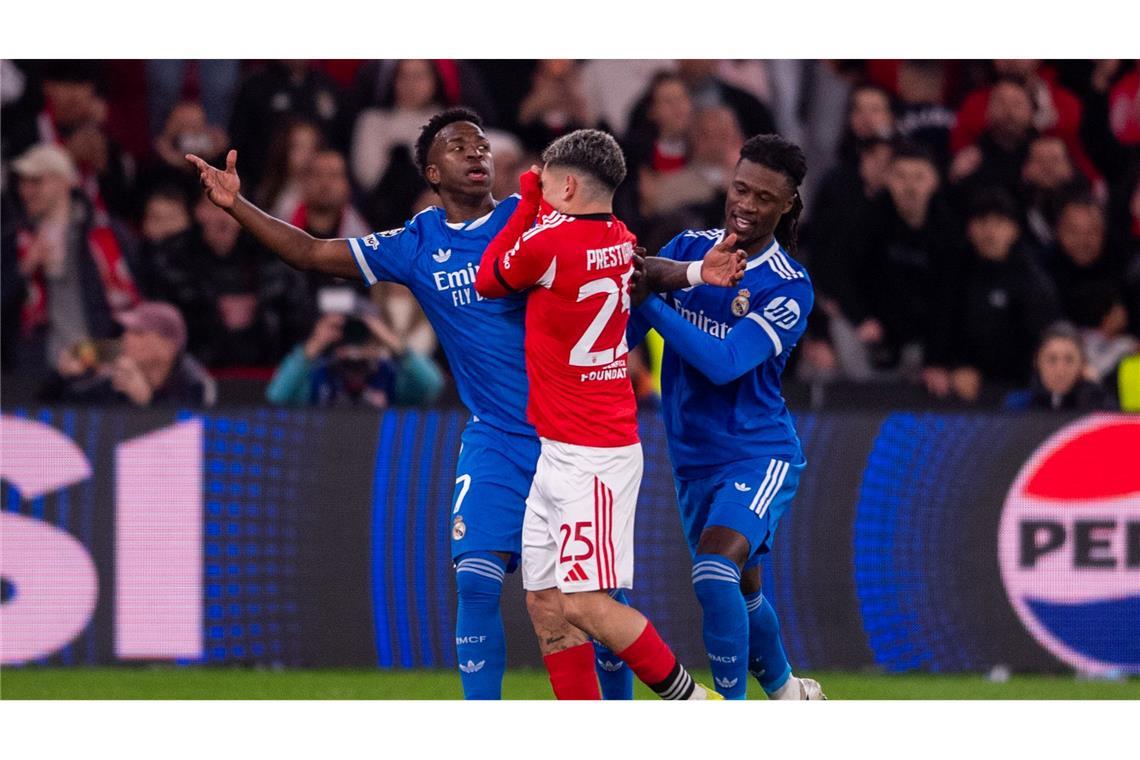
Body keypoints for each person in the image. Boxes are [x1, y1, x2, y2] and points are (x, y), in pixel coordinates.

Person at [187, 108, 740, 700]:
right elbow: (310, 252)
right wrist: (237, 205)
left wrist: (691, 273)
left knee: (589, 605)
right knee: (477, 580)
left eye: (481, 144)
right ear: (432, 172)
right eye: (458, 146)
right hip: (497, 437)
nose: (477, 152)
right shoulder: (416, 242)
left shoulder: (536, 220)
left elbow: (627, 264)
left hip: (568, 432)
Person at [473, 129, 726, 700]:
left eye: (546, 182)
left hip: (592, 455)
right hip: (563, 447)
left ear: (566, 186)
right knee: (545, 602)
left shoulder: (547, 244)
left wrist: (527, 204)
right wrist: (693, 272)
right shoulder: (621, 239)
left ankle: (696, 702)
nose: (539, 190)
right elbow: (646, 268)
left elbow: (489, 279)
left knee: (584, 603)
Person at [627, 134, 825, 700]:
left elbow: (725, 362)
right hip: (692, 458)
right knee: (742, 588)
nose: (747, 204)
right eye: (741, 189)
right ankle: (788, 693)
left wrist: (651, 298)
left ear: (787, 204)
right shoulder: (688, 249)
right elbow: (623, 336)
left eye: (764, 197)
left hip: (756, 452)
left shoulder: (788, 285)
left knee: (714, 573)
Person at [266, 297, 443, 409]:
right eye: (347, 332)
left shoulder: (388, 375)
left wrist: (391, 341)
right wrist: (314, 344)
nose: (354, 342)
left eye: (361, 333)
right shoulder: (321, 375)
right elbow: (277, 396)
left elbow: (431, 384)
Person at [40, 300, 215, 407]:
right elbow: (50, 408)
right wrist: (63, 377)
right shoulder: (120, 375)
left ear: (167, 347)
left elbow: (186, 440)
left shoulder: (196, 384)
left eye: (138, 333)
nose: (125, 338)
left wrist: (147, 402)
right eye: (126, 331)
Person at [1004, 321, 1108, 411]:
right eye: (1051, 360)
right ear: (1037, 362)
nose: (1060, 371)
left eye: (1069, 360)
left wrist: (1093, 390)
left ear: (1082, 365)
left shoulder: (1099, 407)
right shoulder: (1016, 407)